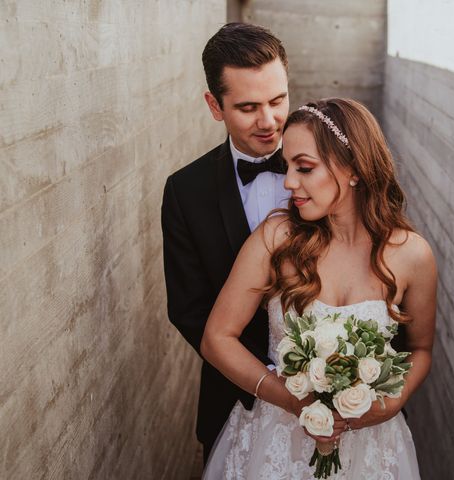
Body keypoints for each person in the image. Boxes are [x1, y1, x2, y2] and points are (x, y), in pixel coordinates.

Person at [200, 98, 437, 478]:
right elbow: (217, 337)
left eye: (304, 168)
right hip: (275, 439)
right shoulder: (276, 237)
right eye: (288, 166)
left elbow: (421, 350)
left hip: (372, 447)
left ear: (355, 169)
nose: (289, 181)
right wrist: (292, 399)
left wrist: (393, 402)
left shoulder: (412, 255)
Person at [161, 23, 290, 464]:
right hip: (234, 401)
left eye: (278, 101)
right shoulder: (184, 191)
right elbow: (189, 309)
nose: (269, 121)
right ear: (214, 106)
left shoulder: (330, 166)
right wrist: (268, 379)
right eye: (249, 107)